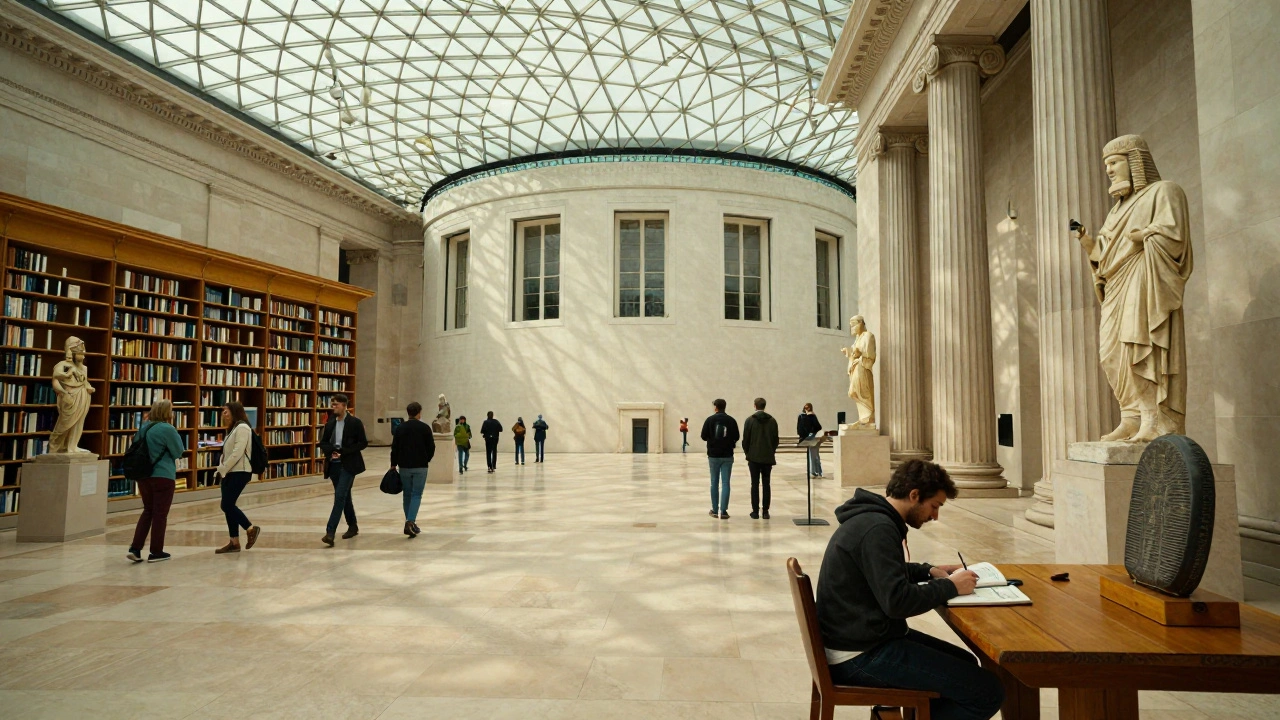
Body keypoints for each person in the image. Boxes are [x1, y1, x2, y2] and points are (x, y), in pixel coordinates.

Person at [816, 460, 1002, 720]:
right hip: (858, 655)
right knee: (987, 691)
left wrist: (929, 571)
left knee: (966, 664)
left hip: (859, 639)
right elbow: (897, 602)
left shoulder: (873, 519)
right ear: (914, 495)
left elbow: (882, 570)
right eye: (934, 506)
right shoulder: (878, 529)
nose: (935, 516)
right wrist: (950, 586)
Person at [127, 398, 186, 563]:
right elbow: (178, 451)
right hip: (162, 475)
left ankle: (135, 548)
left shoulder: (144, 428)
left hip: (143, 476)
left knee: (148, 510)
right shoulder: (168, 429)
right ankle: (156, 551)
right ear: (167, 412)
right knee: (160, 514)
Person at [317, 394, 367, 547]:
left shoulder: (355, 423)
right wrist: (331, 451)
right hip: (334, 464)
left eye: (336, 405)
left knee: (339, 496)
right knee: (344, 496)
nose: (334, 407)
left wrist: (344, 452)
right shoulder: (330, 423)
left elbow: (363, 443)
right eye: (332, 404)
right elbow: (323, 442)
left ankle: (330, 532)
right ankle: (353, 526)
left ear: (344, 406)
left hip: (349, 464)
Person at [213, 401, 260, 554]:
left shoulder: (242, 428)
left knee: (226, 505)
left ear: (234, 412)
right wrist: (221, 469)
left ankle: (250, 528)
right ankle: (234, 542)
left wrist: (224, 468)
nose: (223, 414)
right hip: (229, 472)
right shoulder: (233, 428)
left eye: (226, 411)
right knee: (229, 505)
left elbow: (238, 452)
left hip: (240, 471)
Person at [391, 401, 435, 538]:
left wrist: (393, 464)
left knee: (407, 494)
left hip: (404, 466)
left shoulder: (400, 428)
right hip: (420, 466)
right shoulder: (425, 428)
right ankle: (410, 522)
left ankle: (410, 522)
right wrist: (426, 458)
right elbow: (431, 447)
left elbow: (395, 448)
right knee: (416, 494)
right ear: (419, 413)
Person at [700, 399, 739, 520]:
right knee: (726, 483)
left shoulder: (710, 420)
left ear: (716, 407)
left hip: (713, 455)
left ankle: (715, 510)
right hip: (727, 455)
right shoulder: (731, 420)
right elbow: (737, 436)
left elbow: (703, 436)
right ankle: (724, 510)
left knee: (714, 482)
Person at [741, 397, 779, 520]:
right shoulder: (772, 421)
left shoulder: (749, 421)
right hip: (767, 457)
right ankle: (766, 511)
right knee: (766, 484)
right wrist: (771, 451)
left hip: (753, 457)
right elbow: (775, 440)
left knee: (754, 484)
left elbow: (745, 440)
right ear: (764, 406)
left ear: (754, 406)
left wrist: (748, 453)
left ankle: (755, 511)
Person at [797, 403, 823, 478]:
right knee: (815, 455)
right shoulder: (812, 416)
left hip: (808, 437)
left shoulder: (803, 417)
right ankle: (817, 471)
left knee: (812, 455)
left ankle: (814, 471)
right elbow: (818, 427)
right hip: (814, 437)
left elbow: (799, 429)